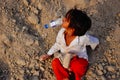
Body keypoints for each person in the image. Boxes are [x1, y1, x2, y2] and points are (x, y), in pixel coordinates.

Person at [40, 8, 99, 80]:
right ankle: (64, 77)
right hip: (64, 58)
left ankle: (75, 76)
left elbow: (94, 41)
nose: (63, 19)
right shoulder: (61, 32)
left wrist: (95, 46)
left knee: (79, 66)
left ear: (72, 29)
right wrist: (49, 54)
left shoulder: (83, 38)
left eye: (66, 20)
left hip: (77, 58)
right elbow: (58, 44)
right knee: (55, 62)